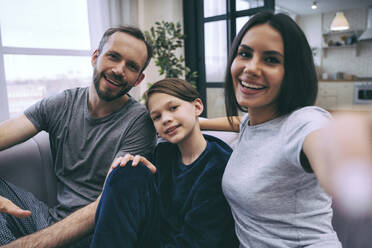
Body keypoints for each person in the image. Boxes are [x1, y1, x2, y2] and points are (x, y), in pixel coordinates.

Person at [0, 26, 157, 247]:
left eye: (131, 66)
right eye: (113, 57)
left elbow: (110, 204)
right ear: (95, 57)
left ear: (138, 79)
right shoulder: (62, 103)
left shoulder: (139, 122)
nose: (119, 70)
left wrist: (29, 244)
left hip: (98, 233)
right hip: (49, 221)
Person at [200, 11, 343, 247]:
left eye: (271, 60)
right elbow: (239, 122)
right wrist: (199, 122)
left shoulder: (303, 122)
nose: (251, 68)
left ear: (293, 72)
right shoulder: (254, 121)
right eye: (245, 54)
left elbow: (332, 162)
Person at [90, 78, 238, 247]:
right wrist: (132, 169)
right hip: (156, 239)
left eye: (173, 108)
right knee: (126, 171)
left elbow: (201, 240)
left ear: (197, 107)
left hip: (196, 242)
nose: (166, 119)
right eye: (157, 117)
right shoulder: (163, 155)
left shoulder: (218, 165)